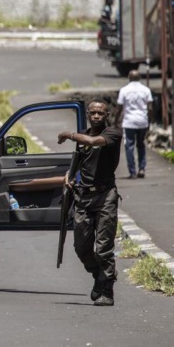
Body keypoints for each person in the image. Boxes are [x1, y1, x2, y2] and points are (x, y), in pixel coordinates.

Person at [57, 99, 122, 306]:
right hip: (83, 197)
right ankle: (98, 275)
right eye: (93, 113)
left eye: (100, 113)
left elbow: (93, 142)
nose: (96, 116)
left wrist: (68, 134)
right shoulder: (83, 136)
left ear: (107, 116)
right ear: (87, 114)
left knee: (103, 248)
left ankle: (107, 291)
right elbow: (81, 161)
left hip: (105, 197)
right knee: (81, 247)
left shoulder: (113, 134)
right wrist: (70, 175)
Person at [115, 70, 153, 178]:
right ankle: (141, 169)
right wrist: (149, 121)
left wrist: (116, 121)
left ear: (129, 77)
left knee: (129, 146)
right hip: (142, 121)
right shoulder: (146, 90)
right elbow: (150, 108)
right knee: (141, 144)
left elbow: (119, 108)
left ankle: (132, 172)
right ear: (140, 77)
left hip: (129, 122)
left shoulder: (124, 90)